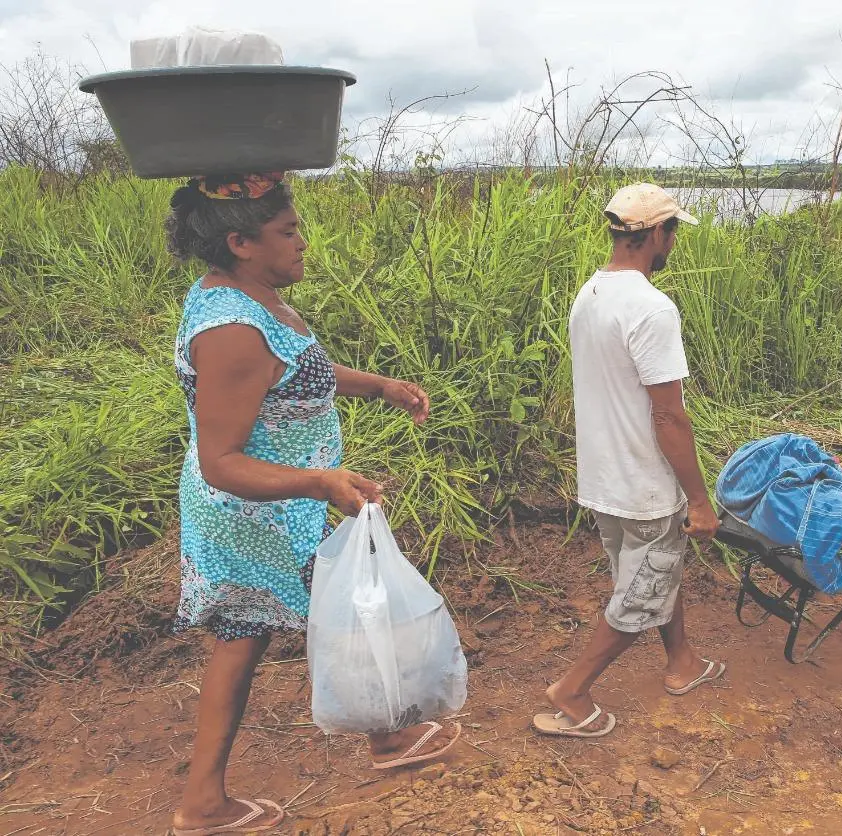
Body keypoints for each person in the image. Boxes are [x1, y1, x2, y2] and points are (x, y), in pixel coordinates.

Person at [165, 173, 461, 836]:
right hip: (253, 513)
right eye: (288, 232)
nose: (303, 242)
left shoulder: (248, 294)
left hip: (280, 502)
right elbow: (223, 461)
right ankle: (382, 738)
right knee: (334, 607)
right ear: (241, 241)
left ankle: (207, 800)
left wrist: (380, 385)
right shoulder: (232, 330)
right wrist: (319, 483)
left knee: (256, 631)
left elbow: (299, 367)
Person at [534, 183, 724, 738]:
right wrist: (698, 499)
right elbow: (669, 417)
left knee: (650, 573)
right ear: (658, 234)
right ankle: (571, 692)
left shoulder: (590, 293)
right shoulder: (651, 307)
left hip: (603, 479)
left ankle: (682, 661)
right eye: (674, 233)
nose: (674, 244)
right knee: (641, 594)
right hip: (642, 484)